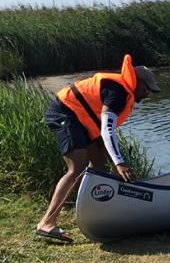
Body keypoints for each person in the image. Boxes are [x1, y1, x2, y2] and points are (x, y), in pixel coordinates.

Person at [35, 54, 160, 242]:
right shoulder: (118, 92)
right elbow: (107, 129)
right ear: (138, 82)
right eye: (147, 89)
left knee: (99, 166)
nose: (147, 94)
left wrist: (113, 160)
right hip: (65, 112)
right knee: (76, 167)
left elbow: (102, 131)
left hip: (81, 119)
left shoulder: (124, 92)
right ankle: (47, 222)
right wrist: (119, 162)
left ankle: (97, 217)